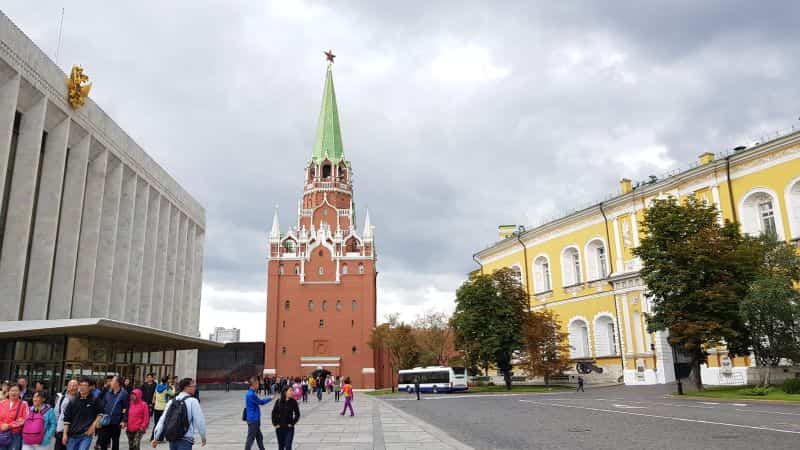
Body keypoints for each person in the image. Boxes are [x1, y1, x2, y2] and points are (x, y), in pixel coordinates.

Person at [151, 378, 207, 450]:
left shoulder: (172, 401)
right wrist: (203, 436)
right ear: (186, 387)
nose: (195, 388)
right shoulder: (193, 401)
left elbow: (162, 420)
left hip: (172, 439)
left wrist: (156, 437)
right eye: (193, 386)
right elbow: (200, 420)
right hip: (186, 439)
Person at [62, 377, 103, 450]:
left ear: (90, 387)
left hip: (86, 434)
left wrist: (93, 426)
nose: (82, 387)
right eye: (80, 385)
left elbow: (100, 413)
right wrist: (65, 434)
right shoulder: (73, 400)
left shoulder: (94, 399)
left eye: (85, 385)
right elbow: (67, 419)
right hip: (72, 434)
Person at [98, 375, 129, 450]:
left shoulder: (124, 394)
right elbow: (103, 404)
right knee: (103, 441)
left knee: (115, 441)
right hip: (106, 421)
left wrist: (124, 420)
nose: (110, 382)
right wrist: (100, 416)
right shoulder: (108, 392)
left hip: (116, 422)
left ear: (117, 383)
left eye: (112, 381)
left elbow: (126, 408)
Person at [244, 376, 272, 450]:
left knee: (259, 437)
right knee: (250, 438)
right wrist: (270, 398)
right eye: (258, 384)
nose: (259, 385)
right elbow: (261, 402)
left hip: (253, 418)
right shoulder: (251, 395)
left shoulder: (250, 393)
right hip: (253, 419)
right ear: (254, 384)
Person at [0, 383, 30, 450]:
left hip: (15, 435)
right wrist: (1, 425)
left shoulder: (24, 404)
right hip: (1, 434)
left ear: (20, 392)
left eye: (16, 391)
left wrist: (9, 426)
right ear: (8, 392)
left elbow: (25, 419)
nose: (13, 393)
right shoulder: (1, 403)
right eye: (12, 390)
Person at [54, 380, 78, 450]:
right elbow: (56, 413)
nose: (72, 387)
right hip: (61, 430)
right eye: (70, 385)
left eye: (74, 385)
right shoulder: (62, 398)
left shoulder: (80, 399)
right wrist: (56, 428)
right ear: (67, 387)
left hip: (74, 431)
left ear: (78, 387)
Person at [150, 377, 172, 442]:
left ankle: (153, 437)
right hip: (163, 408)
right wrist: (171, 386)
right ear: (166, 381)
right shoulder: (166, 388)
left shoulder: (157, 387)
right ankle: (160, 438)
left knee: (156, 423)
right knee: (162, 423)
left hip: (156, 407)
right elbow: (172, 393)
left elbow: (154, 396)